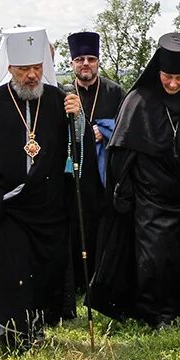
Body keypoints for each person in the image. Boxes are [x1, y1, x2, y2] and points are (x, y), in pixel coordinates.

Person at [87, 33, 180, 327]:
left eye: (179, 78)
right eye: (168, 76)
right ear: (158, 72)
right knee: (151, 259)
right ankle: (153, 312)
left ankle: (176, 308)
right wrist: (124, 191)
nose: (172, 84)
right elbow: (122, 152)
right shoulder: (139, 100)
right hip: (149, 198)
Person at [0, 27, 75, 353]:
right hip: (6, 205)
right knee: (11, 271)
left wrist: (75, 120)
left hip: (45, 206)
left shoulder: (57, 101)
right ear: (10, 68)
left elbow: (75, 153)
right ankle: (8, 333)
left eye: (36, 68)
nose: (31, 75)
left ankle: (36, 327)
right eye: (24, 69)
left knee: (41, 269)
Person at [61, 30, 124, 296]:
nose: (85, 64)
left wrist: (104, 131)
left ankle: (101, 279)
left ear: (97, 61)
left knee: (102, 225)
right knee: (75, 223)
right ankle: (76, 280)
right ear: (73, 63)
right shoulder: (63, 93)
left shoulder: (115, 92)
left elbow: (125, 129)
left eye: (90, 59)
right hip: (73, 172)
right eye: (79, 59)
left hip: (103, 174)